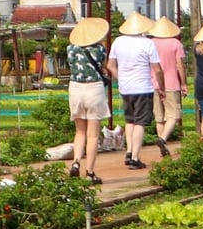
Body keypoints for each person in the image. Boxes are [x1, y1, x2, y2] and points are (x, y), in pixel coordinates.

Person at [107, 12, 164, 169]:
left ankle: (129, 151)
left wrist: (121, 79)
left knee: (129, 121)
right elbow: (157, 70)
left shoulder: (118, 42)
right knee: (140, 123)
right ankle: (135, 157)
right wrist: (161, 86)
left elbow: (110, 66)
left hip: (125, 88)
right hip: (143, 87)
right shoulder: (147, 43)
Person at [65, 16, 111, 183]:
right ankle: (90, 172)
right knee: (93, 135)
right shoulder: (100, 50)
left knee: (80, 131)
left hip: (75, 89)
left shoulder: (70, 49)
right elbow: (104, 68)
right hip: (94, 90)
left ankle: (76, 162)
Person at [150, 15, 185, 155]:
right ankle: (163, 139)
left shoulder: (150, 43)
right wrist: (183, 83)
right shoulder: (176, 43)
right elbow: (180, 65)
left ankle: (161, 148)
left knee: (159, 117)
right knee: (173, 116)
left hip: (153, 83)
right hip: (171, 83)